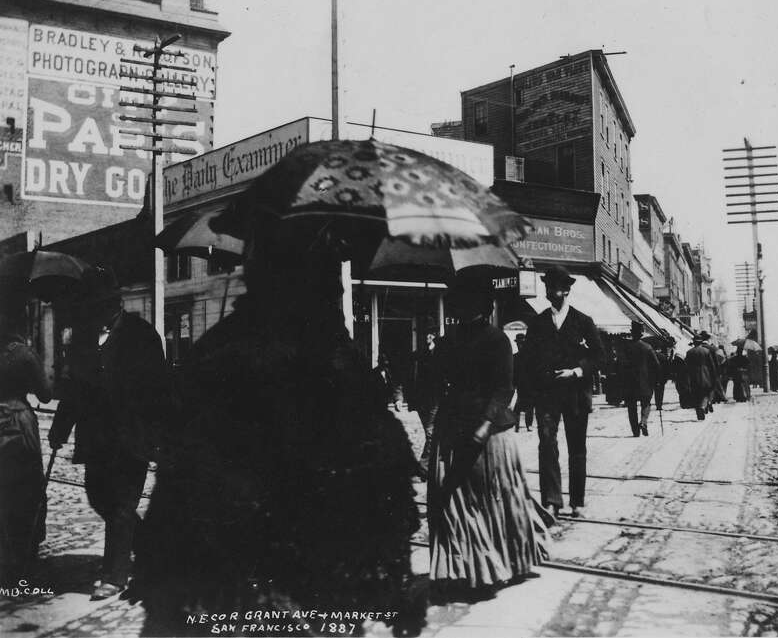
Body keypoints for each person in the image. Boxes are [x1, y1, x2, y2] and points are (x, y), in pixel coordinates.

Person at [134, 224, 424, 637]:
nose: (338, 296)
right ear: (309, 282)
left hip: (227, 585)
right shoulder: (334, 361)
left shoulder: (217, 350)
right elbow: (385, 477)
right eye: (331, 282)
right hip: (303, 584)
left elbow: (175, 480)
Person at [428, 270, 551, 600]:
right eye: (459, 301)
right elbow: (435, 387)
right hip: (453, 430)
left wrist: (483, 427)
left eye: (470, 301)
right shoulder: (445, 342)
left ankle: (502, 562)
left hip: (490, 433)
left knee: (496, 498)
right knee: (453, 502)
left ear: (482, 303)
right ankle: (465, 568)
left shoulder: (497, 340)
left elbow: (504, 388)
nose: (462, 307)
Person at [48, 266, 168, 600]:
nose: (91, 311)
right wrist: (60, 429)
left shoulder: (142, 335)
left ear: (113, 302)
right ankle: (148, 544)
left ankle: (115, 575)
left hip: (132, 437)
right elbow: (73, 391)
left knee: (121, 505)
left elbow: (160, 390)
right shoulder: (83, 339)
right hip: (97, 438)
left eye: (97, 304)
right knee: (97, 496)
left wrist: (160, 435)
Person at [524, 265, 604, 519]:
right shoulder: (537, 323)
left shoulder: (584, 322)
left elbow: (600, 357)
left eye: (556, 287)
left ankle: (577, 501)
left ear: (567, 290)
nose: (551, 292)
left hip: (576, 394)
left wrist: (578, 371)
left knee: (576, 447)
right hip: (547, 394)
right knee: (547, 444)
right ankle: (551, 500)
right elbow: (527, 360)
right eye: (548, 287)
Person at [0, 296, 52, 586]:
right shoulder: (24, 354)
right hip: (18, 424)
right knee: (28, 489)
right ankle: (24, 554)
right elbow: (45, 393)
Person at [404, 330, 441, 477]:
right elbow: (406, 375)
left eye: (431, 333)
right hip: (420, 400)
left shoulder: (440, 355)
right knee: (429, 433)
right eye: (425, 333)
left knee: (430, 432)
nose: (428, 336)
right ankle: (430, 466)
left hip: (435, 399)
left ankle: (424, 469)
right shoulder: (416, 355)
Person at [619, 322, 660, 437]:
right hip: (645, 381)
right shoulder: (647, 348)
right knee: (646, 403)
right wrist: (656, 379)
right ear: (641, 334)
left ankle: (635, 432)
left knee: (631, 407)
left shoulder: (626, 348)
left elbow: (621, 365)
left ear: (632, 333)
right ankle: (643, 422)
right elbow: (656, 365)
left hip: (630, 382)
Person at [686, 334, 720, 420]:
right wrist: (714, 376)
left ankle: (698, 411)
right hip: (706, 375)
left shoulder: (689, 352)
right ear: (701, 342)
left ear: (694, 343)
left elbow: (686, 366)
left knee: (696, 394)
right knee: (706, 393)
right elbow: (712, 365)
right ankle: (703, 406)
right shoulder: (706, 351)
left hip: (693, 376)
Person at [513, 334, 534, 431]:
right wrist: (514, 384)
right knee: (518, 407)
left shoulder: (530, 356)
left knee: (529, 405)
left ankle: (528, 425)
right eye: (518, 343)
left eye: (521, 343)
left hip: (529, 384)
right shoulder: (515, 357)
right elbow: (513, 372)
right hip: (520, 384)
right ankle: (516, 425)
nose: (519, 345)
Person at [652, 339, 673, 412]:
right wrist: (667, 377)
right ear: (660, 349)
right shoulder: (663, 357)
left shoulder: (652, 356)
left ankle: (656, 403)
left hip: (653, 376)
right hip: (662, 377)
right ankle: (659, 405)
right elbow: (667, 368)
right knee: (660, 391)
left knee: (655, 391)